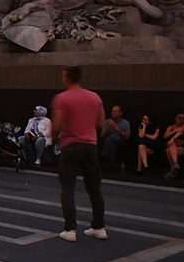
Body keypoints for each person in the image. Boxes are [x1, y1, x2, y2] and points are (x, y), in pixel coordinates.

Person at [51, 66, 106, 242]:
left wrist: (54, 138)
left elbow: (58, 124)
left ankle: (70, 229)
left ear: (66, 77)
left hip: (71, 145)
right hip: (90, 146)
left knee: (68, 188)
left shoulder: (62, 98)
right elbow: (101, 123)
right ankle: (99, 227)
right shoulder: (94, 97)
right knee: (94, 188)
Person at [100, 105, 131, 169]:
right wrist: (107, 129)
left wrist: (117, 128)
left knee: (111, 139)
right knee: (109, 140)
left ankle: (106, 158)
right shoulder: (108, 121)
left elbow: (127, 137)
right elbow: (102, 135)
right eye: (112, 111)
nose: (113, 113)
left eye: (115, 111)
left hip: (120, 141)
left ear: (120, 113)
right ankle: (110, 162)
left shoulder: (125, 123)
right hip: (109, 142)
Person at [164, 113, 184, 178]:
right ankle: (175, 165)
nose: (181, 120)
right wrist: (174, 131)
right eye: (179, 118)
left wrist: (172, 139)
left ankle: (173, 170)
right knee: (169, 149)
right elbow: (165, 136)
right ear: (175, 118)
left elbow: (182, 131)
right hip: (174, 148)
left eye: (183, 118)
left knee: (169, 148)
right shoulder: (171, 127)